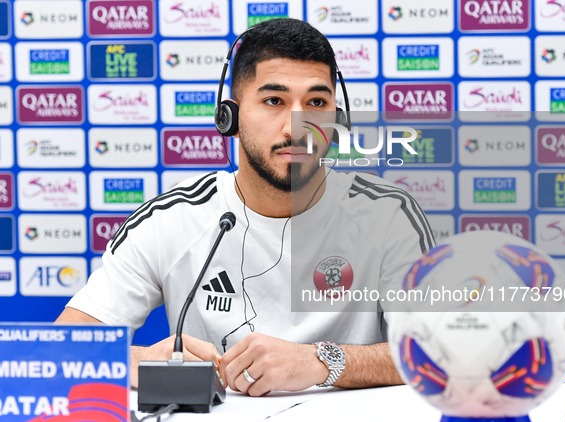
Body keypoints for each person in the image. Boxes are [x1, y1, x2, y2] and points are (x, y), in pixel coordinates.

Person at [56, 18, 435, 396]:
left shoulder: (389, 215)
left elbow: (438, 353)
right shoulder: (169, 220)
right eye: (274, 101)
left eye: (316, 102)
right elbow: (62, 349)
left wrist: (323, 362)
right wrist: (140, 361)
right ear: (231, 117)